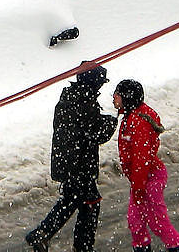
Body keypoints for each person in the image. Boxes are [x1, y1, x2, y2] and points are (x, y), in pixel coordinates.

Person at [26, 63, 118, 252]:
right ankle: (50, 236)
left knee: (80, 200)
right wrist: (112, 121)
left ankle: (58, 239)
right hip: (79, 163)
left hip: (68, 161)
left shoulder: (70, 97)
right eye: (100, 83)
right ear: (93, 84)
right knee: (82, 201)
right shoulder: (84, 101)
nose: (101, 87)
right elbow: (96, 133)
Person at [113, 79, 179, 252]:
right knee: (136, 222)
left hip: (149, 178)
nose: (114, 98)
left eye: (117, 94)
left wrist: (139, 187)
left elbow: (141, 157)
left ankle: (177, 248)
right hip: (141, 179)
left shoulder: (138, 120)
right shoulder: (131, 116)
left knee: (158, 222)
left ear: (127, 97)